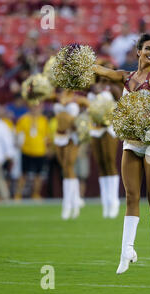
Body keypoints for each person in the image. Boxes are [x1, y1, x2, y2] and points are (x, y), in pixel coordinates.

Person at [92, 33, 150, 276]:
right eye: (148, 48)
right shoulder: (125, 77)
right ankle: (126, 251)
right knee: (130, 195)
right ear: (138, 51)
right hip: (131, 143)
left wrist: (146, 116)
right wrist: (79, 61)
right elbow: (103, 71)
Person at [87, 81, 120, 219]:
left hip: (108, 128)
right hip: (95, 128)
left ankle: (114, 201)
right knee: (100, 163)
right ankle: (105, 202)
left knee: (109, 161)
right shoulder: (91, 89)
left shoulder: (112, 88)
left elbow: (121, 103)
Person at [53, 90, 87, 220]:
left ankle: (67, 205)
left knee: (68, 166)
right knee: (65, 169)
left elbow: (92, 108)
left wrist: (82, 122)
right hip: (59, 134)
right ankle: (75, 201)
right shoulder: (55, 95)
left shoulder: (78, 98)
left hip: (72, 135)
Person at [14, 102, 50, 200]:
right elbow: (18, 133)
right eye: (34, 107)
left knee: (38, 175)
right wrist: (18, 143)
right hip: (26, 150)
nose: (36, 109)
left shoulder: (44, 120)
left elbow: (47, 136)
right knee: (23, 174)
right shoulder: (24, 119)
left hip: (40, 151)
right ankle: (18, 194)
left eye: (38, 107)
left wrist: (47, 149)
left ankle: (35, 194)